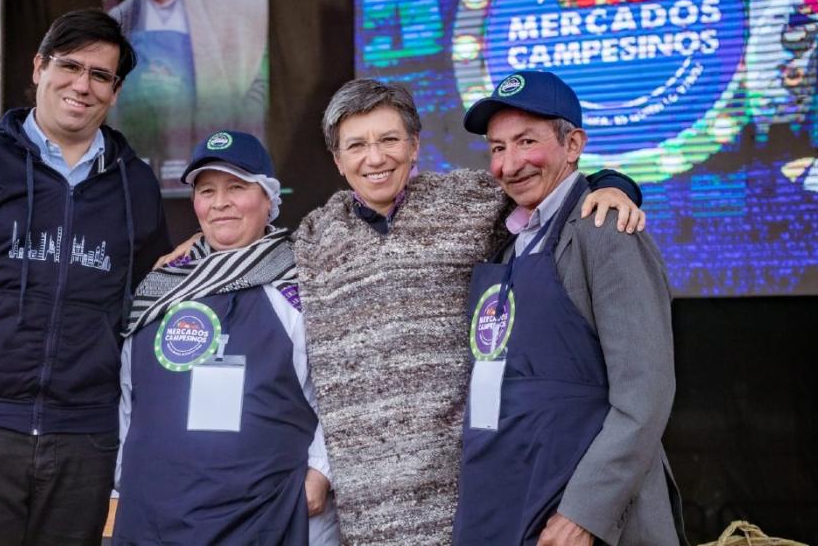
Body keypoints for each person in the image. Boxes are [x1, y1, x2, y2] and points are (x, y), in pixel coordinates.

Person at [290, 78, 646, 544]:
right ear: (338, 161)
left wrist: (615, 185)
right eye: (356, 145)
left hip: (473, 499)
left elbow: (546, 182)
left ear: (415, 145)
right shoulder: (312, 238)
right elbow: (239, 244)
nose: (374, 158)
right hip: (365, 509)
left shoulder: (469, 200)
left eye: (389, 139)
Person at [0, 9, 171, 545]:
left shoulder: (136, 185)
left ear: (114, 91)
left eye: (101, 75)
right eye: (70, 66)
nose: (82, 85)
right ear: (39, 67)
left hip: (85, 434)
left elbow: (152, 301)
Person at [453, 70, 686, 545]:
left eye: (526, 142)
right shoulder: (506, 237)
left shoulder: (606, 230)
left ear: (573, 144)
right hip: (505, 496)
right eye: (497, 148)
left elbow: (646, 396)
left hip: (574, 513)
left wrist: (585, 512)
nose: (510, 164)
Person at [113, 131, 338, 545]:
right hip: (154, 518)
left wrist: (320, 473)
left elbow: (340, 392)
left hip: (265, 516)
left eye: (237, 187)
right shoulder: (160, 287)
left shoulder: (303, 285)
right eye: (207, 190)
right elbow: (128, 398)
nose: (220, 202)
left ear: (269, 199)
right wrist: (122, 482)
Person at [108, 0, 267, 185]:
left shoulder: (231, 10)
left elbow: (253, 82)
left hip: (203, 156)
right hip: (141, 157)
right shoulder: (122, 16)